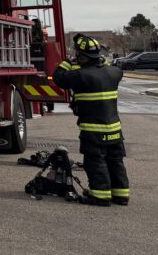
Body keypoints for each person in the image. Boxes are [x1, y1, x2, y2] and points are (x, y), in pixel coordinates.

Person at [52, 33, 129, 206]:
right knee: (115, 161)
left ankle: (100, 196)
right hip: (115, 129)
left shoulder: (80, 76)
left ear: (81, 56)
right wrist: (99, 60)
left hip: (93, 130)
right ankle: (121, 195)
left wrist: (68, 61)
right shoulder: (114, 73)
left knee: (95, 161)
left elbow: (58, 77)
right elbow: (106, 66)